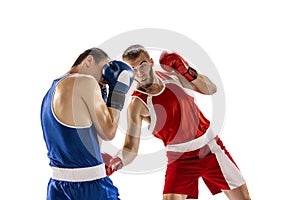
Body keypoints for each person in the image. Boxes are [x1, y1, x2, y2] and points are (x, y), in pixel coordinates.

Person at [103, 44, 251, 200]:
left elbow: (211, 89)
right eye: (133, 69)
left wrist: (187, 71)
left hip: (210, 149)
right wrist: (117, 161)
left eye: (143, 65)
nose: (140, 73)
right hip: (179, 160)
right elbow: (130, 147)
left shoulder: (171, 76)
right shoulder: (137, 104)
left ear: (151, 62)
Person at [40, 47, 134, 200]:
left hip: (57, 187)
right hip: (90, 187)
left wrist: (102, 98)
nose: (107, 78)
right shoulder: (85, 82)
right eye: (105, 69)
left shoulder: (51, 91)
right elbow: (109, 133)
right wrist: (118, 91)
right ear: (89, 60)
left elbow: (95, 146)